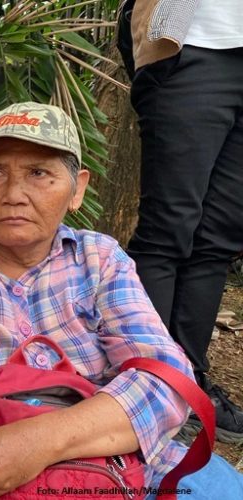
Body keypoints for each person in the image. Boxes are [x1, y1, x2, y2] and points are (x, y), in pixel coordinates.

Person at [0, 102, 243, 499]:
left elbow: (167, 380)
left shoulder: (99, 260)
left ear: (77, 190)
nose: (13, 194)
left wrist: (37, 442)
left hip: (111, 463)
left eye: (38, 173)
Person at [125, 0, 243, 443]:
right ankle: (147, 382)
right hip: (191, 45)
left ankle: (189, 382)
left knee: (219, 239)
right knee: (167, 230)